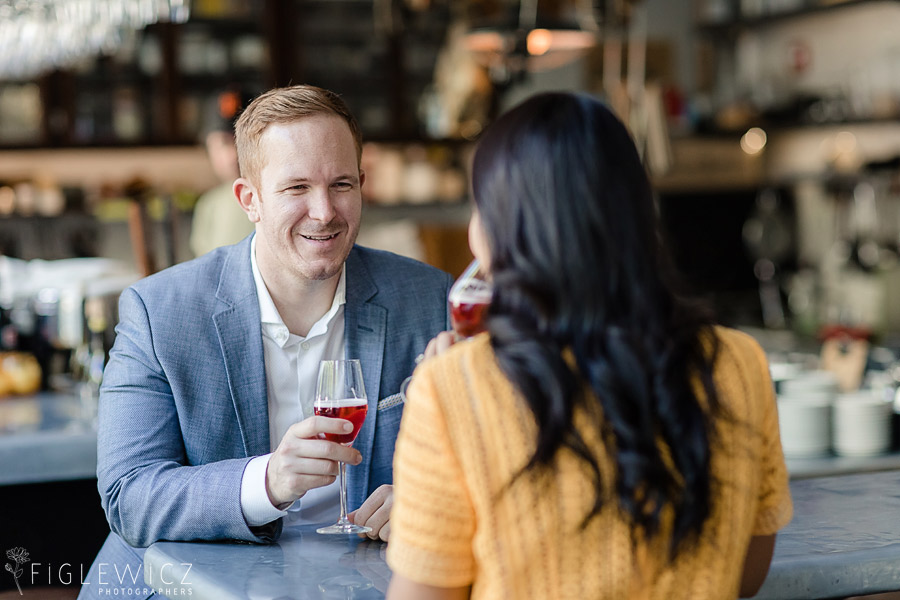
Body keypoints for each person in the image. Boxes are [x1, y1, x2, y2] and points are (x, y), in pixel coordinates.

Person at [386, 92, 793, 600]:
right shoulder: (738, 362)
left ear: (504, 230)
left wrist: (457, 388)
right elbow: (746, 574)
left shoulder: (451, 388)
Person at [80, 85, 453, 599]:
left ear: (363, 184)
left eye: (341, 184)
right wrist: (267, 482)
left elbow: (488, 460)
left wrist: (427, 500)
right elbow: (130, 495)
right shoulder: (160, 310)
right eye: (296, 188)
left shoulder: (429, 297)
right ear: (249, 200)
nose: (324, 211)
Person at [189, 89, 256, 257]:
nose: (233, 155)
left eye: (242, 141)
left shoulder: (280, 197)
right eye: (223, 143)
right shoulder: (209, 204)